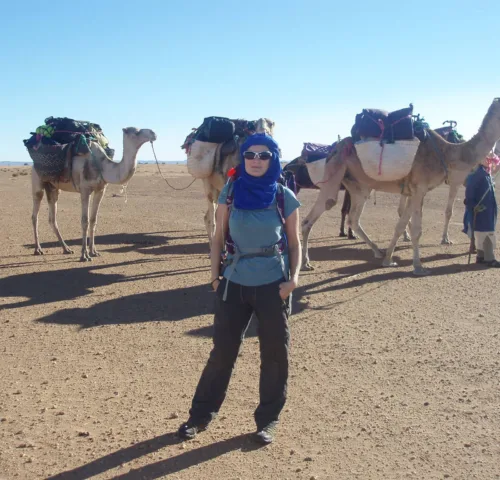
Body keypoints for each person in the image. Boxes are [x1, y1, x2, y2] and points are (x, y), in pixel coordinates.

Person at [178, 133, 302, 445]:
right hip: (233, 282)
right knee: (222, 353)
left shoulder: (283, 195)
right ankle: (200, 416)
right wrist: (215, 277)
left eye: (264, 156)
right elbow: (218, 237)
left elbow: (296, 242)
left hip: (274, 284)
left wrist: (293, 280)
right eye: (251, 155)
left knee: (275, 354)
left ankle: (268, 420)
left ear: (273, 159)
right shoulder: (231, 192)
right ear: (242, 159)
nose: (256, 161)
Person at [463, 156, 499, 267]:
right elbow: (470, 193)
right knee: (487, 234)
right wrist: (473, 206)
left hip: (487, 210)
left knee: (481, 234)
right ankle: (489, 259)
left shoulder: (485, 174)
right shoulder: (477, 175)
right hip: (481, 210)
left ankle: (481, 256)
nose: (489, 160)